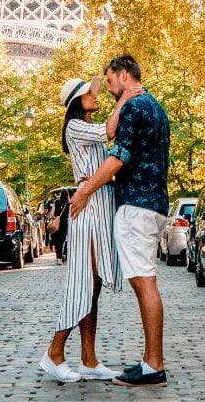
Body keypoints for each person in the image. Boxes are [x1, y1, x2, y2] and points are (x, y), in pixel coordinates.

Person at [70, 55, 170, 389]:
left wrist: (84, 192)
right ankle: (150, 361)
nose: (110, 88)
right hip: (155, 203)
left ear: (123, 75)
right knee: (147, 281)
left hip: (136, 207)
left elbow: (118, 157)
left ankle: (153, 364)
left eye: (110, 81)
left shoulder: (132, 109)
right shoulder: (155, 106)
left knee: (144, 283)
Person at [39, 75, 142, 384]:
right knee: (83, 284)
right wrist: (126, 96)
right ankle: (54, 353)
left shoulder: (82, 127)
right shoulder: (75, 126)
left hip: (99, 205)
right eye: (90, 94)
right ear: (77, 101)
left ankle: (89, 359)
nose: (97, 96)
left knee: (93, 287)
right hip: (88, 206)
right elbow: (109, 130)